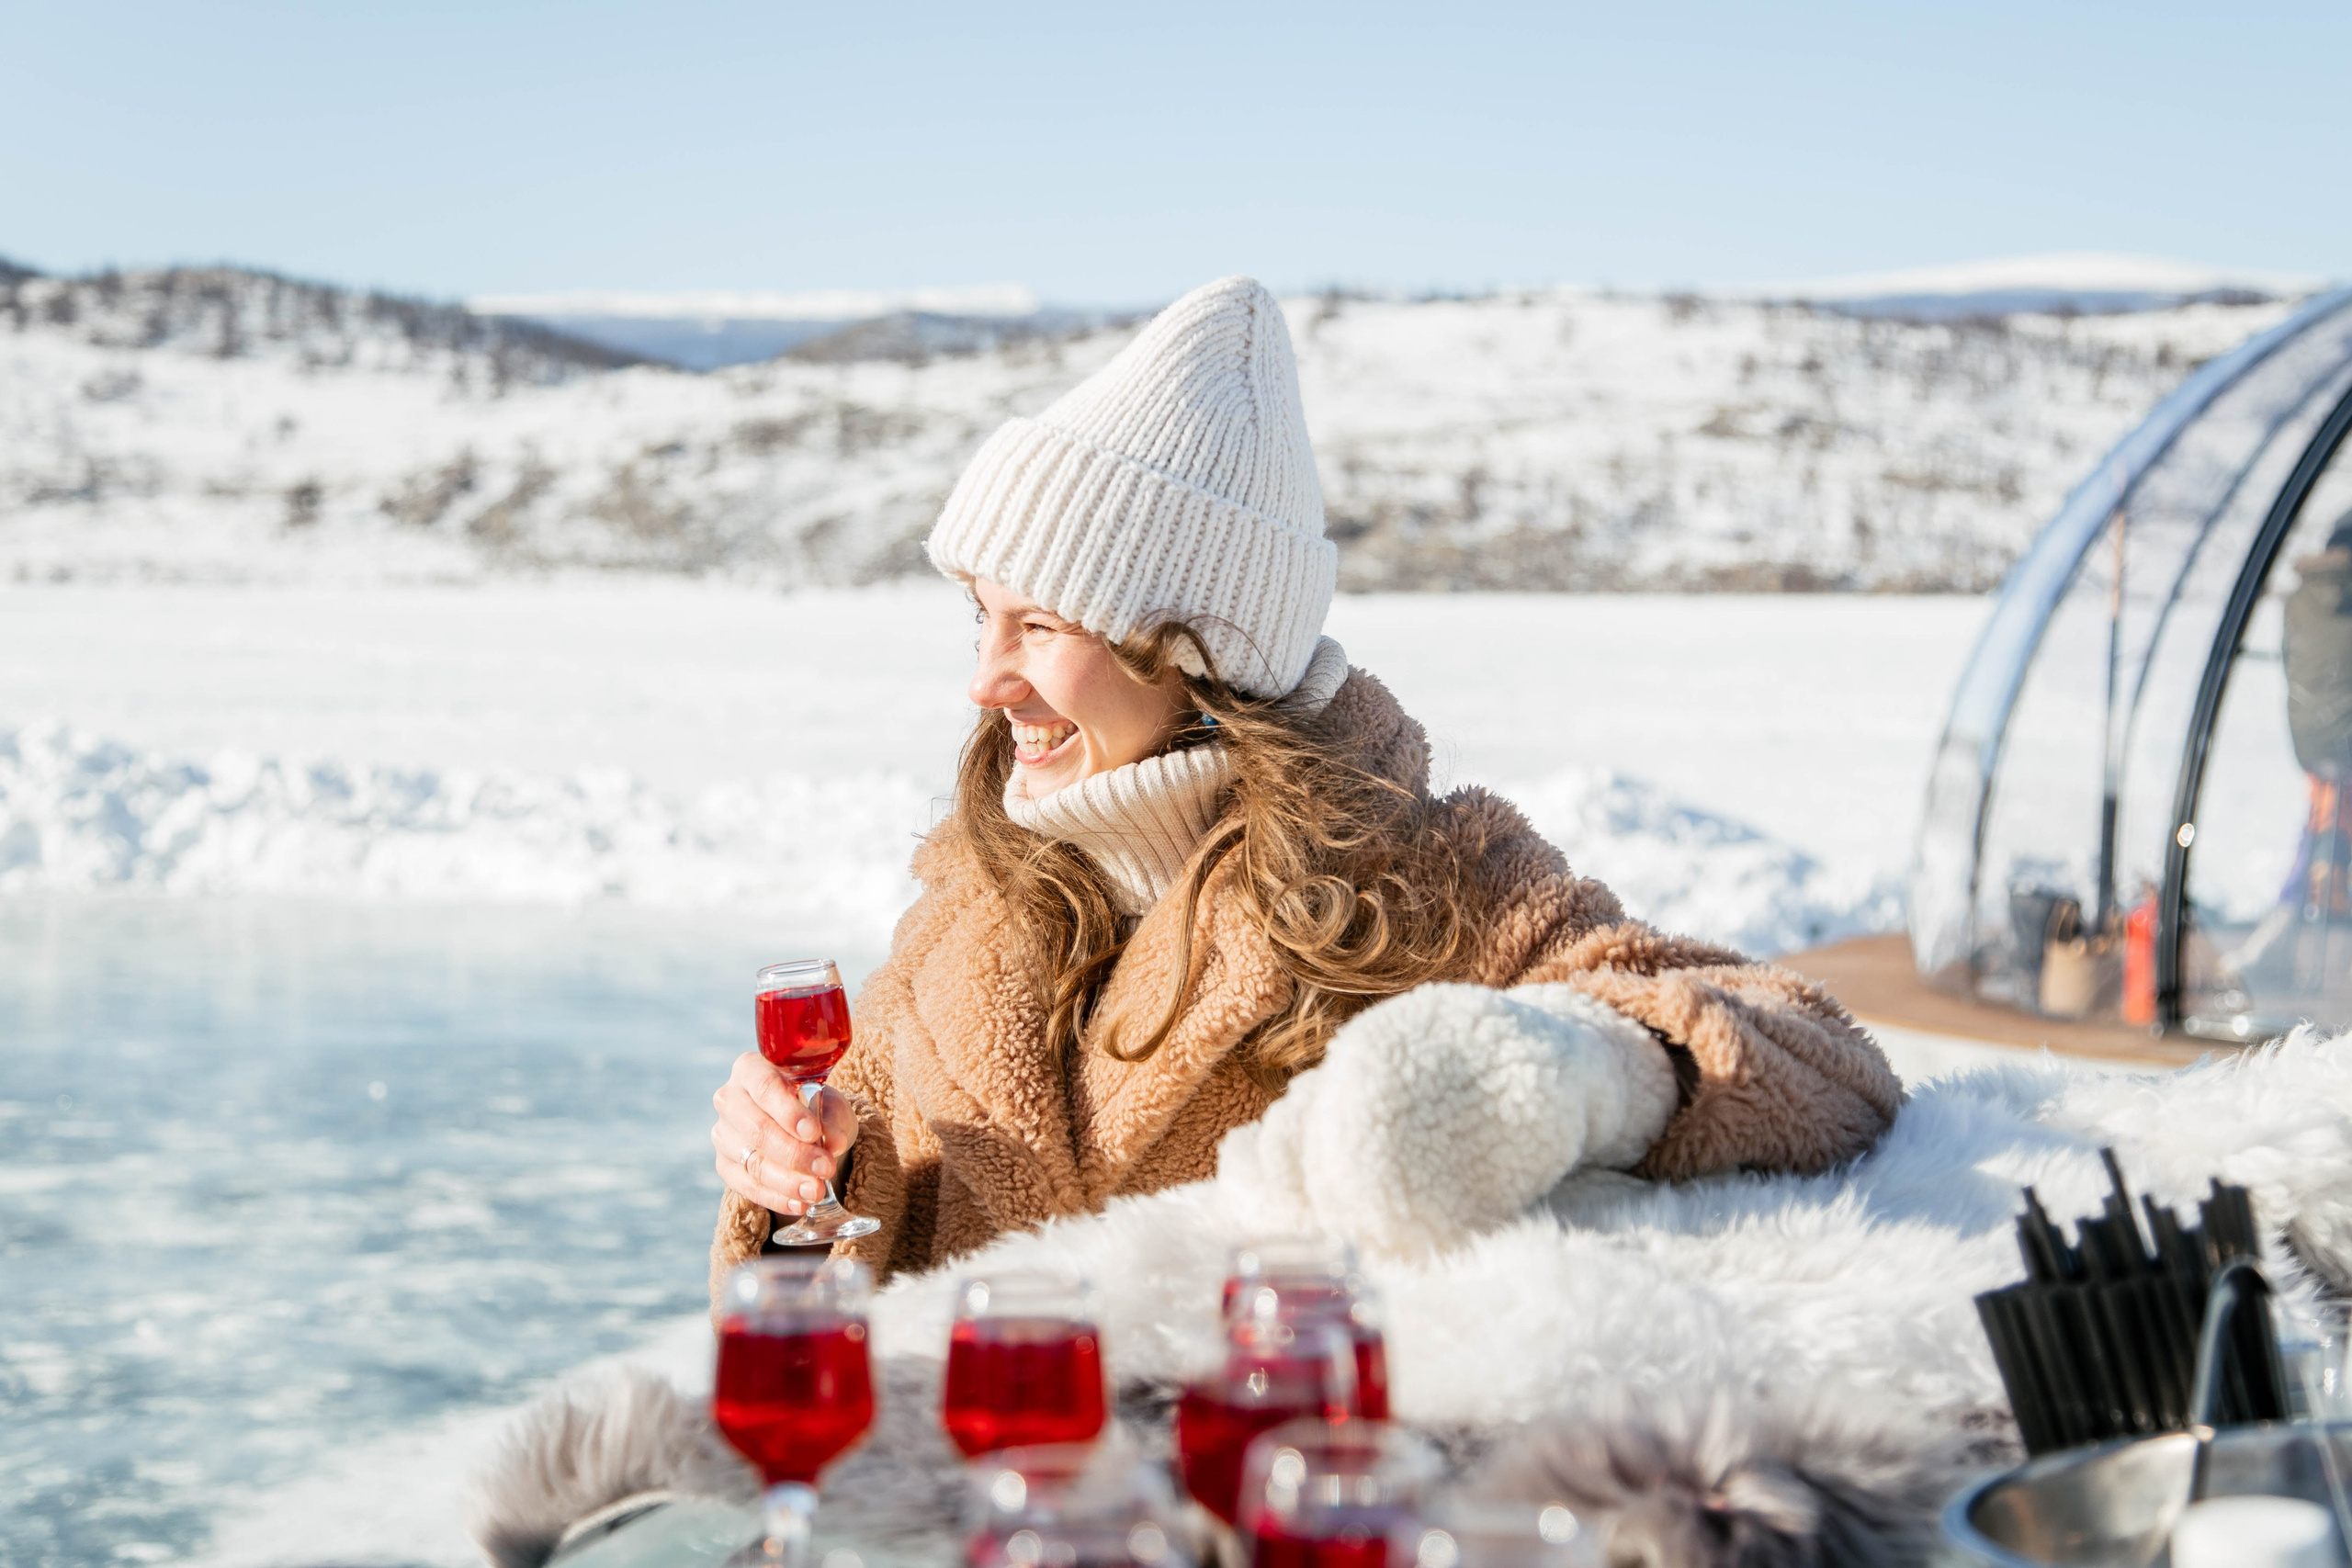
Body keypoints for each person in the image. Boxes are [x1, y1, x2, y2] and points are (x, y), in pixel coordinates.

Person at [708, 276, 1900, 1289]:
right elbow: (822, 1306)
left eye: (1039, 625)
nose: (986, 681)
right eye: (981, 618)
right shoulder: (965, 916)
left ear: (1190, 644)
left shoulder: (1433, 885)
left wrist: (1559, 1078)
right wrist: (790, 1178)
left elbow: (1820, 1068)